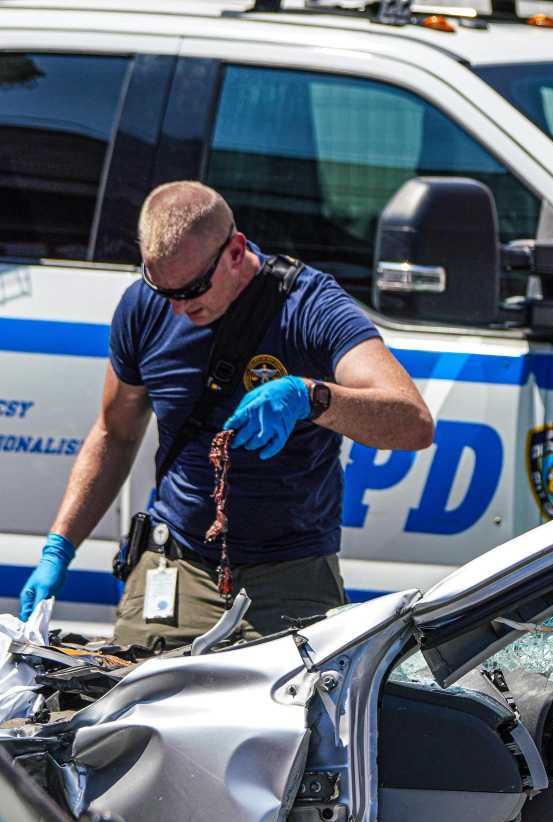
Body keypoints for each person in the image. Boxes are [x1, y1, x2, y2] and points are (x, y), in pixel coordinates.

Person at [19, 181, 434, 649]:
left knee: (292, 719)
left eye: (194, 288)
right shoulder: (143, 307)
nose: (179, 305)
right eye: (163, 288)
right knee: (123, 712)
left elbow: (413, 422)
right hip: (177, 562)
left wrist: (312, 396)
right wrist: (59, 547)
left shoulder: (311, 308)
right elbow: (115, 433)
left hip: (288, 574)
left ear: (235, 251)